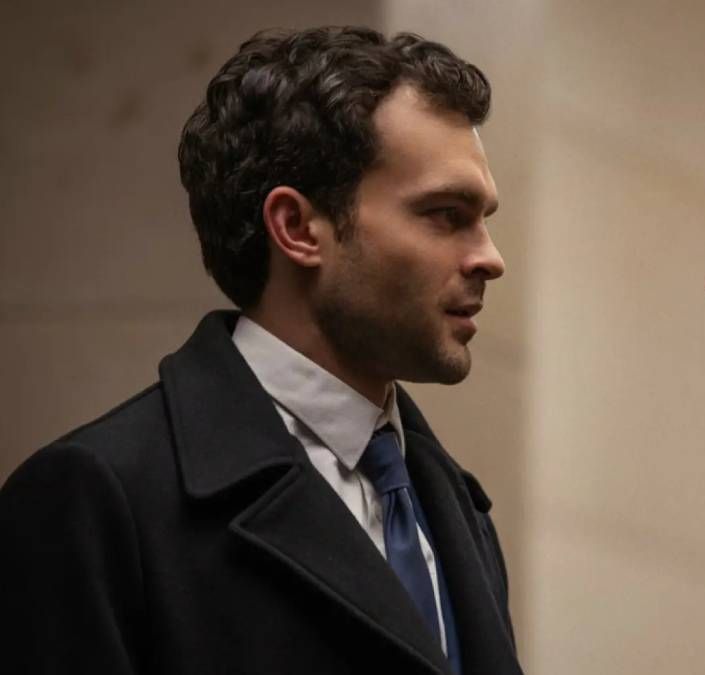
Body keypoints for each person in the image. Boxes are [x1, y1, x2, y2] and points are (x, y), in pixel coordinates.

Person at [0, 26, 522, 675]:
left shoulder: (457, 510)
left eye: (484, 218)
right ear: (298, 228)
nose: (490, 258)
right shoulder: (98, 501)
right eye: (446, 214)